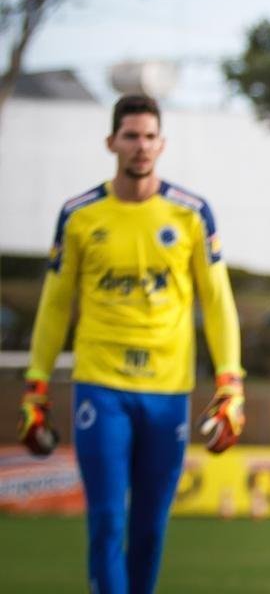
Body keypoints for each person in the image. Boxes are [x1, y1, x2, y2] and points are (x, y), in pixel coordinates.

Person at [17, 94, 245, 594]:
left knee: (149, 528)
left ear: (161, 144)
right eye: (130, 136)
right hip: (101, 386)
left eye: (148, 137)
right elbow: (55, 305)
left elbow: (218, 300)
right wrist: (36, 386)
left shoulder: (192, 213)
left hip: (168, 392)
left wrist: (231, 382)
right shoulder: (79, 215)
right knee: (105, 519)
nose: (140, 147)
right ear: (111, 142)